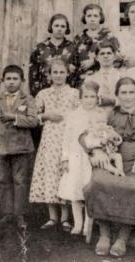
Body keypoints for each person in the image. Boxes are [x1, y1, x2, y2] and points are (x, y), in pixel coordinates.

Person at [83, 77, 135, 257]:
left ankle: (122, 238)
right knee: (99, 181)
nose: (127, 96)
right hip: (111, 161)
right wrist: (97, 152)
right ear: (117, 95)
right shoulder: (110, 114)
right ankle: (105, 235)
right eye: (123, 92)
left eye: (131, 92)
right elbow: (89, 135)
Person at [29, 59, 79, 232]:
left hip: (67, 138)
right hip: (50, 138)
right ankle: (52, 217)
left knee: (64, 174)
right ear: (49, 75)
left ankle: (65, 218)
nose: (58, 75)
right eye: (55, 72)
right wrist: (46, 115)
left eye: (61, 72)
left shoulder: (74, 93)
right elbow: (32, 116)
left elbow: (79, 114)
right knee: (50, 173)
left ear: (67, 73)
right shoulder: (43, 94)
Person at [0, 65, 38, 228]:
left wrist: (14, 117)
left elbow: (33, 121)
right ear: (3, 81)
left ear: (22, 81)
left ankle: (19, 214)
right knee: (2, 180)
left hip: (21, 147)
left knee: (20, 181)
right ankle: (7, 214)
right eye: (8, 79)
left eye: (15, 79)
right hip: (1, 147)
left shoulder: (28, 99)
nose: (11, 82)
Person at [57, 81, 108, 235]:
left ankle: (88, 225)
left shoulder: (101, 114)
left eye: (93, 96)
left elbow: (104, 133)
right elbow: (67, 138)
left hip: (92, 157)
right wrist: (65, 159)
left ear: (97, 98)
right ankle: (78, 224)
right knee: (75, 192)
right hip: (76, 156)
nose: (89, 100)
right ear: (80, 98)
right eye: (86, 96)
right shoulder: (73, 115)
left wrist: (102, 144)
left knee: (89, 191)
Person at [70, 4, 121, 88]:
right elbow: (73, 62)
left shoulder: (109, 36)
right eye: (89, 16)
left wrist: (94, 61)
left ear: (100, 18)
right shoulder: (78, 38)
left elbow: (118, 60)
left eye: (95, 16)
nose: (92, 19)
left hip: (105, 81)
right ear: (85, 18)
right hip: (83, 82)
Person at [29, 13, 74, 97]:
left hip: (68, 94)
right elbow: (33, 75)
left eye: (62, 26)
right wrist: (36, 94)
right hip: (45, 93)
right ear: (51, 27)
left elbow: (77, 72)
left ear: (66, 28)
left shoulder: (72, 47)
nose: (59, 29)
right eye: (56, 26)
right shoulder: (40, 48)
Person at [84, 41, 123, 109]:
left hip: (119, 115)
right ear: (97, 58)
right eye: (102, 54)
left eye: (109, 53)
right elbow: (85, 103)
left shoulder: (122, 76)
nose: (106, 56)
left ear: (114, 57)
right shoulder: (90, 79)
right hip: (97, 116)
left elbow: (133, 101)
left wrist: (113, 101)